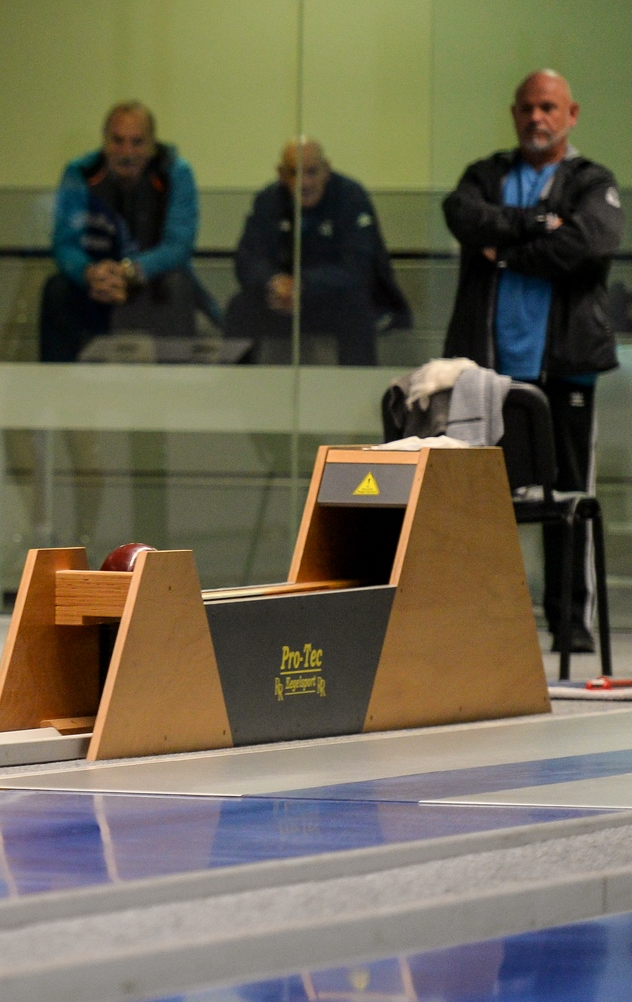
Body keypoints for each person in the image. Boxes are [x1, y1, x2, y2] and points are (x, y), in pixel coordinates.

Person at [442, 69, 623, 654]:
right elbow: (463, 215)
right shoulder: (487, 175)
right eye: (526, 108)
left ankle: (570, 623)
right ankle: (485, 623)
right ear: (513, 113)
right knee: (482, 505)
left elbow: (591, 243)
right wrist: (537, 226)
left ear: (572, 114)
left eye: (548, 107)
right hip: (487, 376)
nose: (535, 119)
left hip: (564, 370)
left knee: (567, 500)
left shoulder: (592, 181)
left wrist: (507, 253)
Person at [40, 100, 211, 361]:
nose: (126, 152)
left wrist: (130, 271)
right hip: (97, 286)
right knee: (57, 290)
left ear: (153, 145)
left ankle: (178, 394)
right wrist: (89, 273)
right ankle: (54, 393)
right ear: (105, 142)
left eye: (137, 142)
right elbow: (65, 242)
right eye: (117, 141)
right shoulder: (80, 173)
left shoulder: (176, 172)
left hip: (152, 284)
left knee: (178, 285)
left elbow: (179, 246)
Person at [224, 139, 411, 366]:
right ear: (282, 175)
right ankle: (238, 389)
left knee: (357, 310)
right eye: (295, 173)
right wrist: (272, 282)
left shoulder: (350, 197)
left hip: (334, 300)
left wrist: (304, 285)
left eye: (312, 172)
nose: (305, 183)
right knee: (240, 308)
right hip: (281, 303)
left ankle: (355, 389)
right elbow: (247, 259)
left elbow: (358, 268)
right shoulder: (268, 200)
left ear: (326, 170)